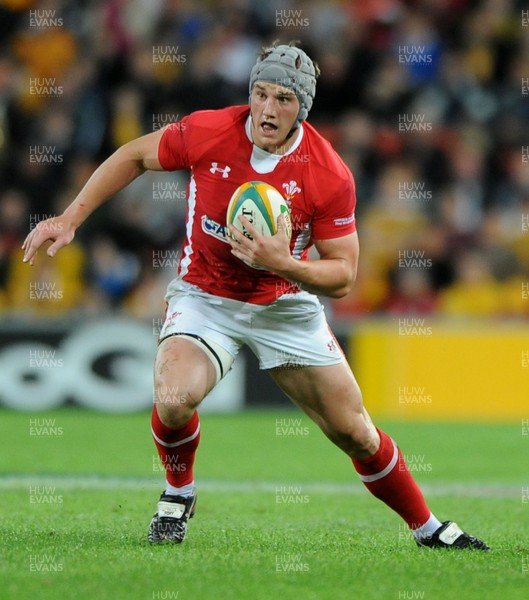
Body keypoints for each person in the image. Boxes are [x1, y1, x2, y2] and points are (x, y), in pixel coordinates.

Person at [22, 42, 489, 550]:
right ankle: (179, 492)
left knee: (356, 433)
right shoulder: (209, 130)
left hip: (283, 303)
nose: (268, 108)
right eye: (261, 93)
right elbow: (134, 155)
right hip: (206, 296)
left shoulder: (328, 173)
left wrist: (284, 262)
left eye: (284, 98)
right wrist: (70, 217)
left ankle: (428, 529)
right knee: (174, 399)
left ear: (302, 108)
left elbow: (344, 276)